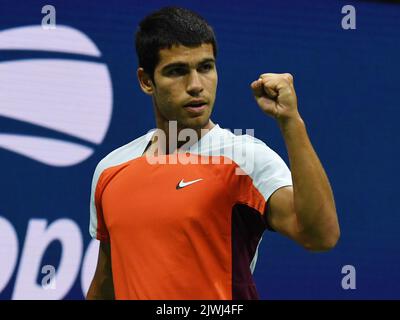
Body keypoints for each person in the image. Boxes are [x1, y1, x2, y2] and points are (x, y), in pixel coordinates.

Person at [86, 6, 340, 300]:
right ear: (146, 81)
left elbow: (321, 236)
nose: (196, 86)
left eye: (205, 67)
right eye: (177, 71)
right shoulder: (112, 169)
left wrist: (291, 122)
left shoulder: (245, 158)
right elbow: (106, 282)